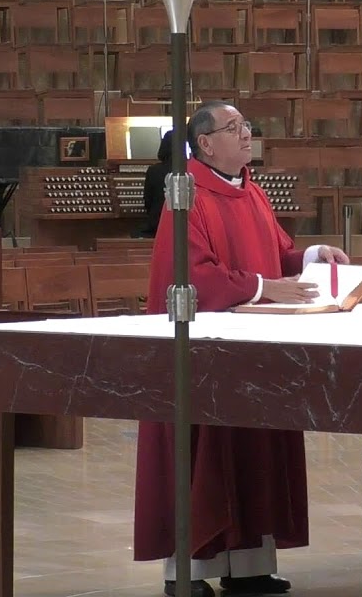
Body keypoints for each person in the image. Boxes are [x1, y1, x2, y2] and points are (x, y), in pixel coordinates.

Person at [135, 101, 349, 597]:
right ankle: (189, 572)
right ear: (205, 143)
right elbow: (188, 277)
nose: (246, 135)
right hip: (203, 351)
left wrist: (314, 256)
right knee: (204, 452)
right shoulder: (185, 195)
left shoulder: (249, 190)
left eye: (247, 126)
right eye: (234, 129)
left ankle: (250, 566)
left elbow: (280, 255)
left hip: (253, 347)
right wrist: (262, 287)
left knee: (253, 448)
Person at [140, 129, 173, 238]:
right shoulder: (190, 170)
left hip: (157, 223)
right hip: (186, 225)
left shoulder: (154, 170)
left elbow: (147, 201)